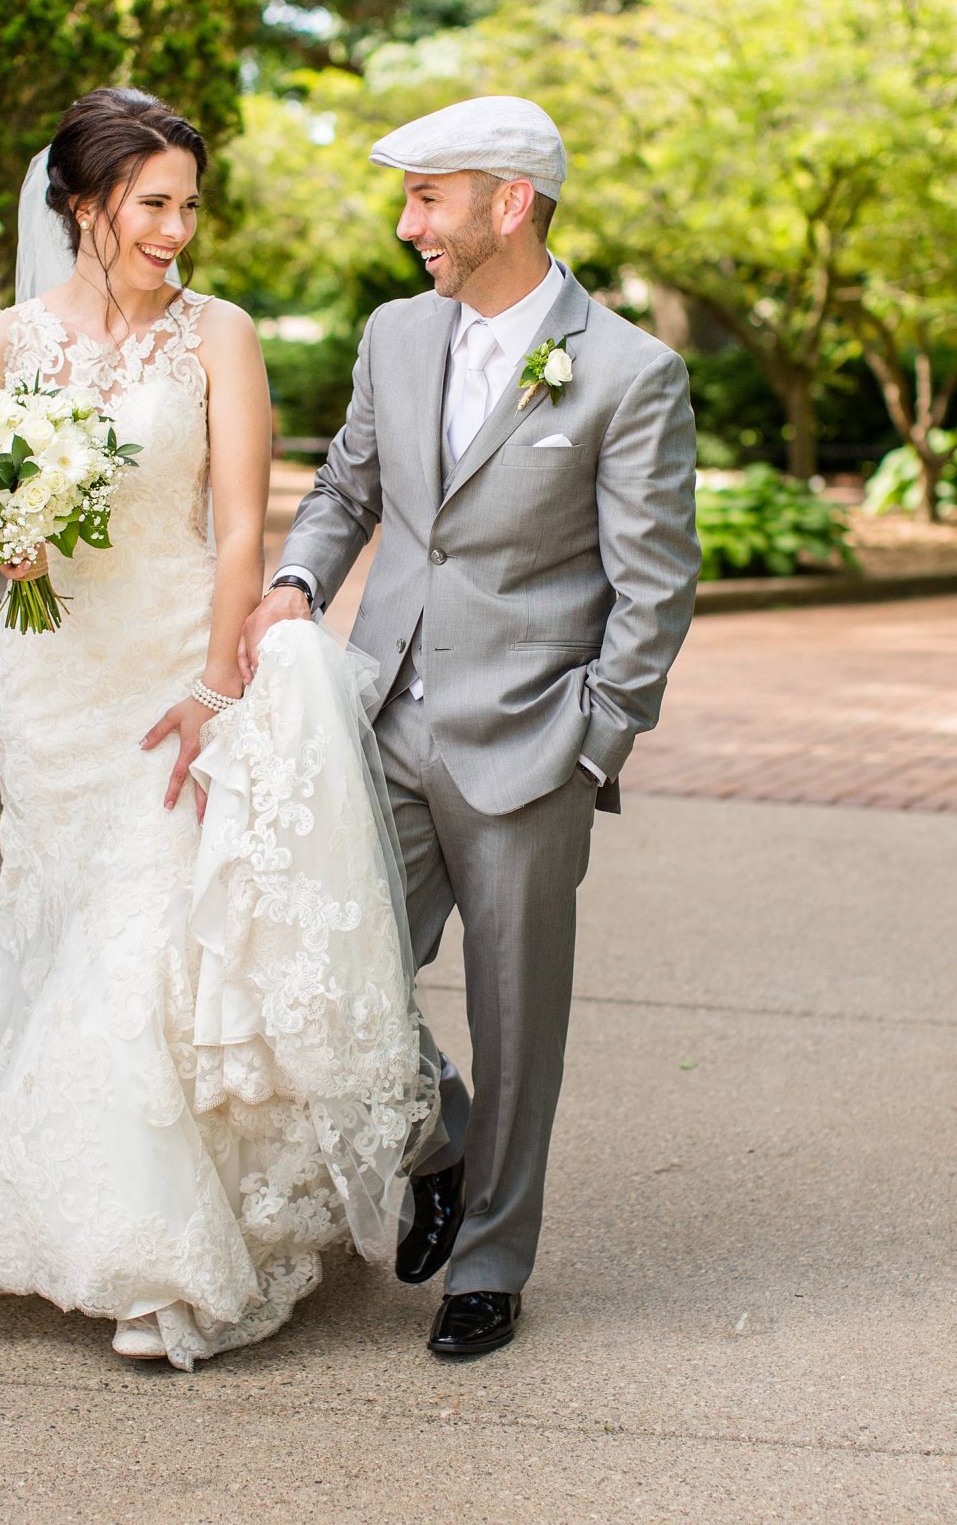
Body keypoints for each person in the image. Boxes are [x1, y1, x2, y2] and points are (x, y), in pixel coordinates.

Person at [0, 88, 433, 1371]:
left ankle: (164, 1259)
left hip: (170, 669)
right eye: (152, 203)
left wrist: (213, 684)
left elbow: (242, 521)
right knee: (71, 931)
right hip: (52, 682)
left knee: (148, 946)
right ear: (82, 206)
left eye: (189, 202)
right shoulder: (3, 346)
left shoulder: (219, 335)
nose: (177, 227)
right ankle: (69, 1218)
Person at [241, 95, 701, 1361]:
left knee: (516, 1017)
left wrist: (593, 741)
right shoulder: (395, 334)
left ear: (509, 202)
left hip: (529, 743)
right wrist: (295, 583)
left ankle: (491, 1261)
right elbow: (348, 483)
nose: (407, 226)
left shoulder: (627, 372)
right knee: (325, 968)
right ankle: (432, 1136)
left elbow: (654, 585)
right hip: (381, 715)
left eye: (426, 198)